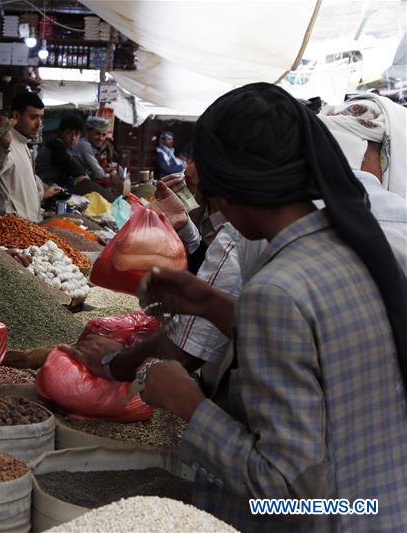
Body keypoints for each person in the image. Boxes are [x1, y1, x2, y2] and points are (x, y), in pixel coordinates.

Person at [69, 83, 407, 530]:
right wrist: (214, 306)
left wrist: (189, 404)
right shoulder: (356, 244)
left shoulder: (278, 289)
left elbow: (290, 492)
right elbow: (319, 353)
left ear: (226, 195)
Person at [0, 91, 62, 222]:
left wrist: (43, 193)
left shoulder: (23, 143)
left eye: (41, 117)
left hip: (23, 226)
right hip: (4, 226)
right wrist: (2, 147)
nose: (39, 124)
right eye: (33, 117)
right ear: (16, 116)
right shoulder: (4, 143)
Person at [72, 116, 114, 182]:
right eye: (97, 133)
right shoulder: (84, 144)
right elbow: (98, 172)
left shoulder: (94, 145)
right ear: (88, 132)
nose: (101, 138)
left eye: (103, 135)